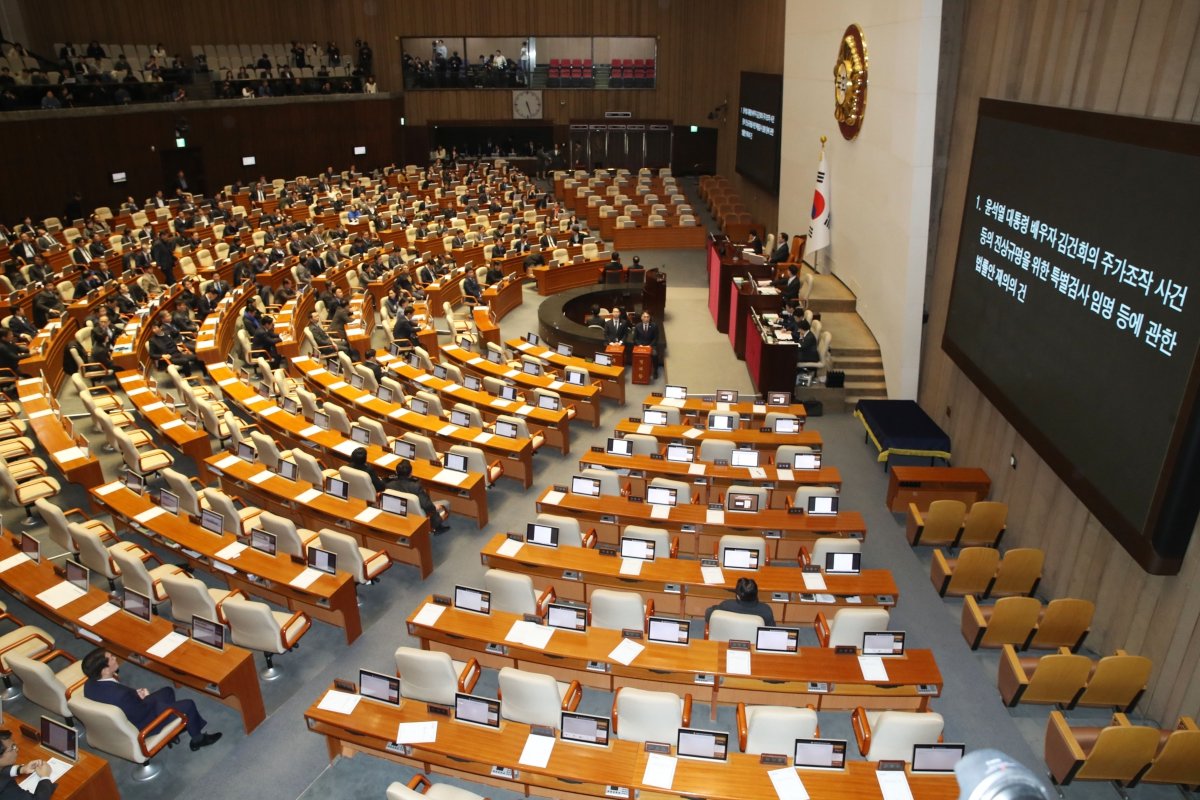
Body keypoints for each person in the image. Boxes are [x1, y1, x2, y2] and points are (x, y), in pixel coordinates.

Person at [81, 648, 222, 752]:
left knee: (167, 692)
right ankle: (198, 739)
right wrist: (144, 697)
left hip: (127, 713)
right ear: (105, 671)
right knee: (188, 705)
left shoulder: (90, 685)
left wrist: (135, 696)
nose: (115, 658)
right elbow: (141, 712)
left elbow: (123, 702)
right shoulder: (120, 695)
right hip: (143, 723)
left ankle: (173, 732)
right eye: (111, 658)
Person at [384, 460, 449, 533]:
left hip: (401, 515)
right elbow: (427, 506)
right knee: (445, 503)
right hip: (420, 517)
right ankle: (438, 528)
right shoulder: (415, 487)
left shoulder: (389, 486)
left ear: (396, 472)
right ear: (411, 473)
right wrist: (435, 507)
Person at [0, 728, 56, 798]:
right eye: (12, 748)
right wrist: (45, 776)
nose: (17, 749)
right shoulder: (6, 789)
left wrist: (21, 769)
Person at [704, 577, 775, 626]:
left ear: (738, 596)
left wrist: (713, 607)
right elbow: (771, 630)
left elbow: (709, 615)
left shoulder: (726, 605)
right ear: (756, 593)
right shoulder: (766, 610)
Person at [632, 311, 662, 379]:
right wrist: (640, 345)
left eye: (647, 317)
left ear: (649, 318)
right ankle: (637, 369)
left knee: (654, 354)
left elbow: (656, 338)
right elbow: (635, 338)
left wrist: (650, 346)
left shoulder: (654, 326)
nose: (646, 318)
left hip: (651, 345)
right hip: (640, 346)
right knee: (634, 353)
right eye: (644, 317)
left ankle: (655, 371)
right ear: (641, 318)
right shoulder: (637, 326)